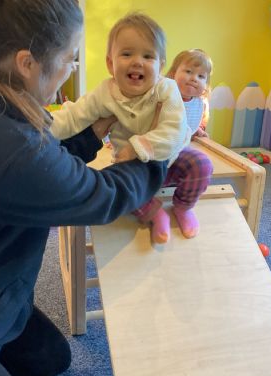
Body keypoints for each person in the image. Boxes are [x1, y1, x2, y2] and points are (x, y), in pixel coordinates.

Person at [0, 1, 168, 376]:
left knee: (49, 359)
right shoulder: (4, 143)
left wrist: (92, 134)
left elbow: (36, 172)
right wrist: (158, 150)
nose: (71, 69)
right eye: (70, 59)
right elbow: (103, 196)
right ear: (26, 63)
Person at [51, 13, 213, 244]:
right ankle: (154, 212)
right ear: (110, 63)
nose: (138, 62)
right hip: (131, 168)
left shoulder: (166, 89)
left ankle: (183, 207)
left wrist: (137, 147)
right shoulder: (105, 92)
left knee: (202, 164)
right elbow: (74, 116)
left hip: (170, 159)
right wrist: (43, 128)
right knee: (115, 191)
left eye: (148, 56)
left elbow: (174, 131)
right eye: (127, 54)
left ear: (160, 66)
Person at [166, 48, 213, 138]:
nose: (194, 78)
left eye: (201, 76)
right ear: (173, 73)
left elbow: (196, 122)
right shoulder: (166, 95)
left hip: (185, 142)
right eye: (188, 71)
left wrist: (196, 130)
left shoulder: (200, 103)